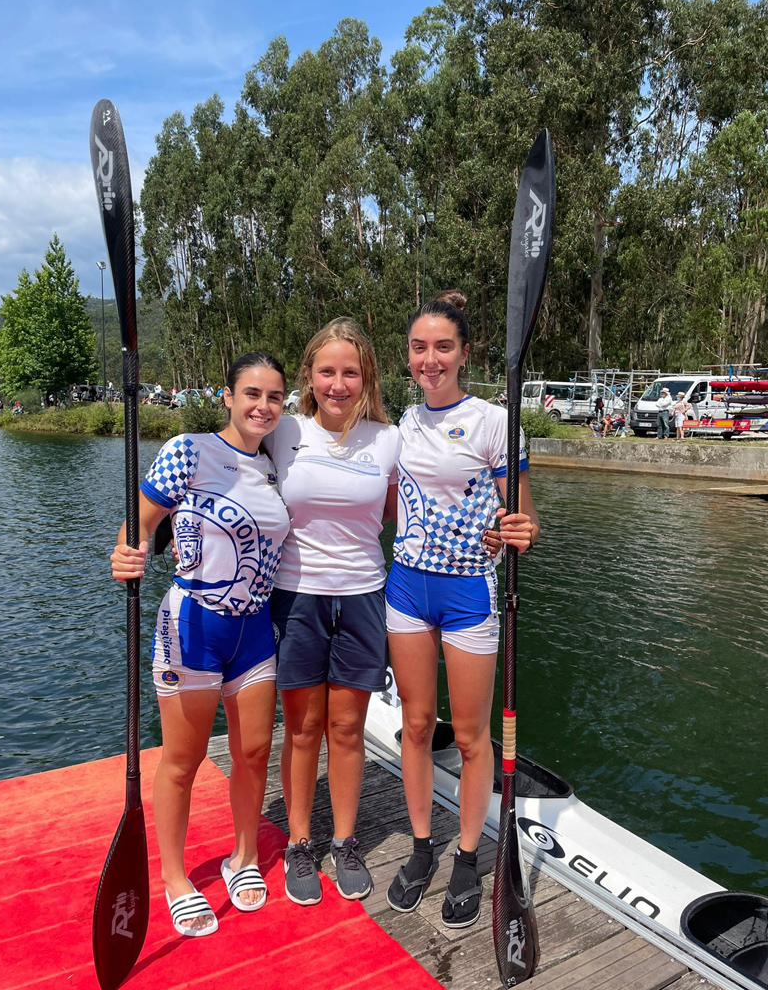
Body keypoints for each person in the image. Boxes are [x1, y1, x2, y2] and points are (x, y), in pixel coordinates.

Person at [110, 352, 291, 938]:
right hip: (192, 626)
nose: (263, 406)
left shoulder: (272, 465)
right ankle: (174, 877)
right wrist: (125, 554)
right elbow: (137, 523)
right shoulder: (190, 450)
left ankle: (241, 857)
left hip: (255, 628)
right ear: (228, 396)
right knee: (183, 761)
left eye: (273, 397)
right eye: (252, 394)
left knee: (254, 752)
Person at [385, 290, 540, 929]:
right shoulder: (403, 422)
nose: (430, 359)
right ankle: (423, 848)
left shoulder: (496, 423)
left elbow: (525, 518)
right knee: (417, 726)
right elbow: (393, 506)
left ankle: (469, 856)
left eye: (442, 347)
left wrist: (519, 533)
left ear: (465, 354)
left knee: (473, 738)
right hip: (406, 590)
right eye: (420, 348)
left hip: (469, 592)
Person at [264, 319, 401, 906]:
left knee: (346, 730)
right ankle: (300, 843)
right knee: (302, 729)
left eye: (351, 372)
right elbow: (221, 471)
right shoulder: (283, 430)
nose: (339, 384)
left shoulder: (387, 439)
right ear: (309, 377)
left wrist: (500, 532)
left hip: (365, 596)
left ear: (366, 377)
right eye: (328, 371)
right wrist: (145, 532)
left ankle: (344, 841)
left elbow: (409, 513)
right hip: (296, 598)